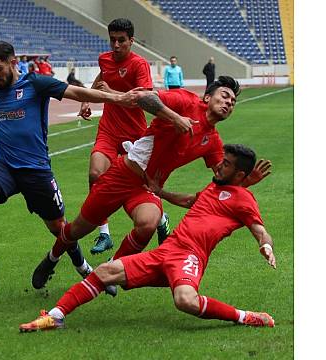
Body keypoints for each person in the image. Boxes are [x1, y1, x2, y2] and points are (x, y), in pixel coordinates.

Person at [31, 76, 271, 296]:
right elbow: (143, 97)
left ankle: (109, 271)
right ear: (208, 97)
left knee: (148, 223)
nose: (229, 102)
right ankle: (52, 258)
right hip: (122, 174)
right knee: (76, 231)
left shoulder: (213, 141)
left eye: (233, 101)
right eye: (225, 96)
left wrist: (246, 182)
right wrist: (173, 117)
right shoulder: (186, 100)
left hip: (146, 187)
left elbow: (222, 177)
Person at [19, 144, 277, 332]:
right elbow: (191, 200)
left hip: (189, 256)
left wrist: (265, 244)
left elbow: (258, 228)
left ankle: (245, 317)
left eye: (227, 164)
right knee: (105, 271)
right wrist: (160, 192)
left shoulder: (244, 199)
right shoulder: (215, 186)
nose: (219, 165)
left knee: (185, 300)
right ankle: (55, 316)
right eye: (222, 160)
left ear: (240, 175)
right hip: (165, 251)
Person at [0, 41, 137, 296]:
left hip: (36, 171)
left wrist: (117, 98)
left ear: (13, 62)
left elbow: (77, 93)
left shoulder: (36, 83)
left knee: (60, 229)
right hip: (4, 166)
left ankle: (83, 268)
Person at [78, 18, 165, 255]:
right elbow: (100, 80)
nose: (116, 45)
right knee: (96, 174)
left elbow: (146, 99)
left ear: (131, 41)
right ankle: (104, 233)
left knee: (143, 184)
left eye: (121, 40)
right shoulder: (104, 59)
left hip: (135, 133)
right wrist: (87, 99)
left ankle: (162, 218)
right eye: (112, 40)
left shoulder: (139, 64)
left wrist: (113, 94)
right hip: (108, 129)